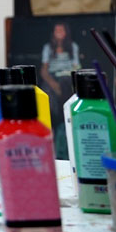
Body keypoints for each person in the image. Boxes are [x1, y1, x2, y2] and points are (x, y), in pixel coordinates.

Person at [39, 21, 80, 158]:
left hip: (67, 79)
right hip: (52, 79)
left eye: (61, 30)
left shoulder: (73, 47)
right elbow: (44, 71)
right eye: (56, 31)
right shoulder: (48, 48)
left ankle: (65, 123)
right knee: (48, 96)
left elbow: (76, 67)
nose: (59, 33)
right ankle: (56, 125)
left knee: (66, 86)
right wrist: (53, 84)